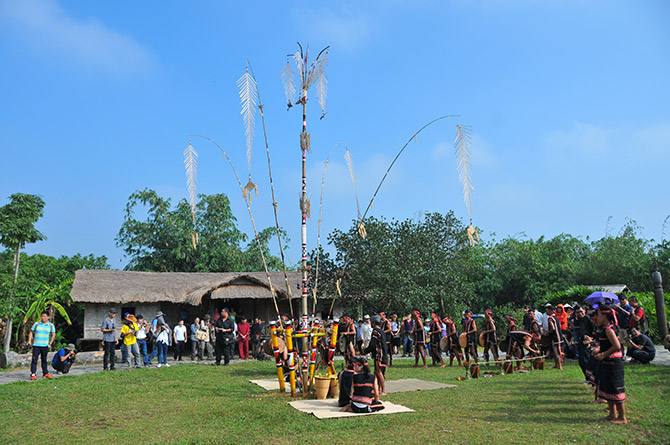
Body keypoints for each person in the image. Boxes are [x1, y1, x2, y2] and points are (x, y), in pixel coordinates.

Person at [593, 305, 627, 424]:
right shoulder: (605, 328)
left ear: (605, 316)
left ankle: (622, 417)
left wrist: (603, 354)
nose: (597, 317)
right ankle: (612, 414)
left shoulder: (609, 329)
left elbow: (617, 346)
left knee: (615, 388)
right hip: (608, 362)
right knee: (608, 388)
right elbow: (607, 344)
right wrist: (599, 350)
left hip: (614, 362)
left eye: (599, 314)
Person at [27, 311, 56, 380]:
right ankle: (33, 374)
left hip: (45, 345)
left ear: (48, 317)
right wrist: (29, 341)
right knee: (34, 360)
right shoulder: (36, 324)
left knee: (44, 360)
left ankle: (45, 373)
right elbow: (31, 332)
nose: (43, 318)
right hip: (36, 345)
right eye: (42, 316)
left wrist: (50, 343)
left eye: (45, 316)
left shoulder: (51, 325)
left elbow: (53, 334)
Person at [365, 316, 388, 395]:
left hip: (379, 354)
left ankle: (383, 390)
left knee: (378, 372)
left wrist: (365, 351)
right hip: (384, 354)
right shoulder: (382, 331)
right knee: (380, 372)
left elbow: (373, 345)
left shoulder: (375, 331)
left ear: (374, 323)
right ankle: (379, 388)